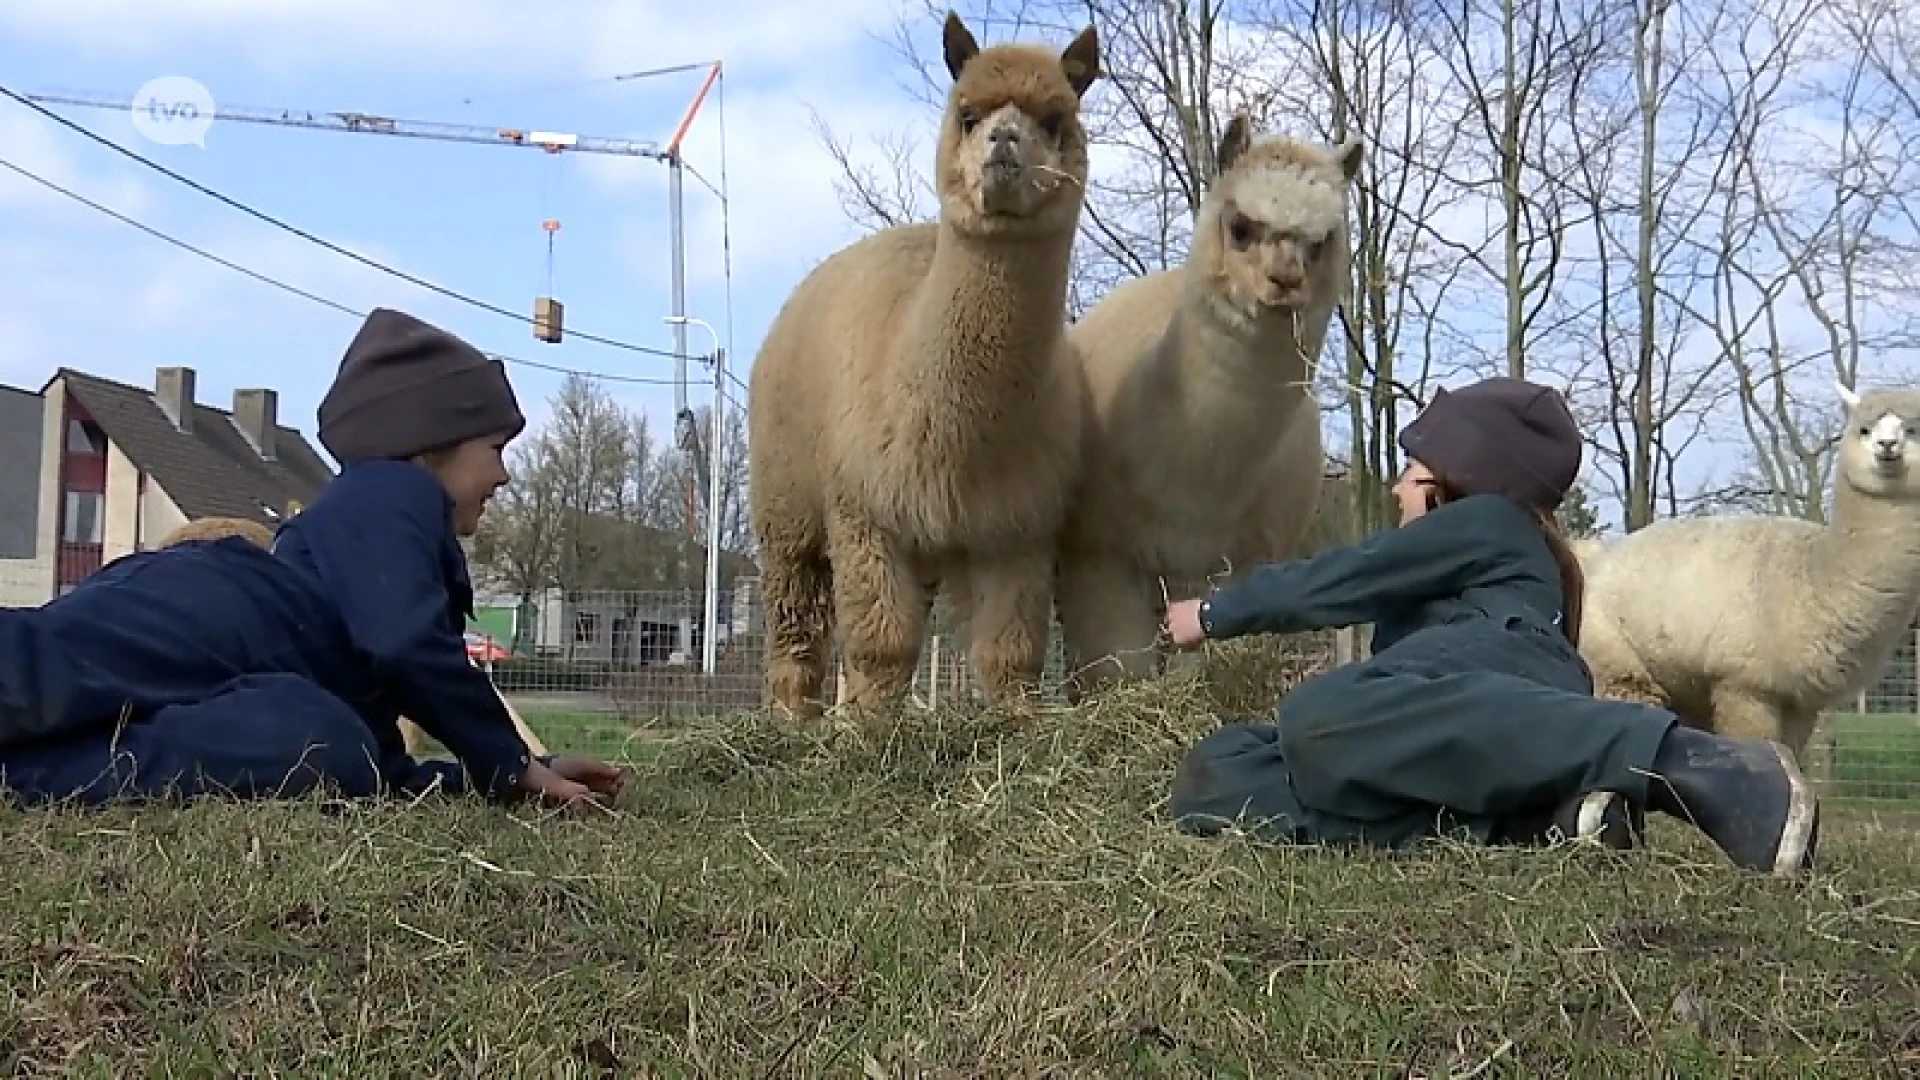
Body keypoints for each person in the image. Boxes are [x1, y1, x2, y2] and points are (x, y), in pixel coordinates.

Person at [1160, 376, 1820, 877]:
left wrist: (1214, 612)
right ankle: (1547, 819)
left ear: (1454, 475)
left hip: (1493, 671)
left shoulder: (1490, 523)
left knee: (1323, 711)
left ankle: (1701, 766)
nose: (1395, 488)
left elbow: (1345, 576)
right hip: (1465, 703)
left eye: (1411, 466)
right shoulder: (1507, 548)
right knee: (1224, 767)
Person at [0, 308, 628, 811]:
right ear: (433, 444)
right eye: (496, 447)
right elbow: (408, 644)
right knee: (45, 671)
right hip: (213, 608)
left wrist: (517, 774)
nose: (505, 474)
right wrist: (508, 761)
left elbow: (387, 764)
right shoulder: (391, 491)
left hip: (256, 660)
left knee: (328, 749)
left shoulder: (360, 577)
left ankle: (27, 773)